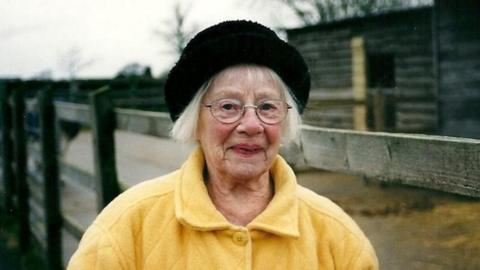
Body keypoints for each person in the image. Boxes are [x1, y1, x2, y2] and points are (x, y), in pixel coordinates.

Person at [68, 20, 378, 270]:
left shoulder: (337, 238)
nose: (252, 125)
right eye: (228, 106)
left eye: (268, 107)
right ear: (195, 122)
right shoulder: (127, 226)